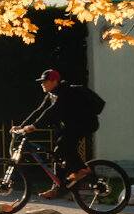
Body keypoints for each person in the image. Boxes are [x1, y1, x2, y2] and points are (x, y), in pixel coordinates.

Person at [17, 69, 98, 199]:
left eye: (45, 81)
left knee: (64, 147)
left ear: (55, 81)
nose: (42, 84)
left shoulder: (65, 92)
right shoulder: (51, 94)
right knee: (56, 154)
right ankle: (59, 186)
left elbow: (51, 111)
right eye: (41, 82)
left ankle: (83, 170)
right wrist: (21, 125)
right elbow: (39, 110)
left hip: (84, 124)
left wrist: (34, 126)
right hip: (71, 126)